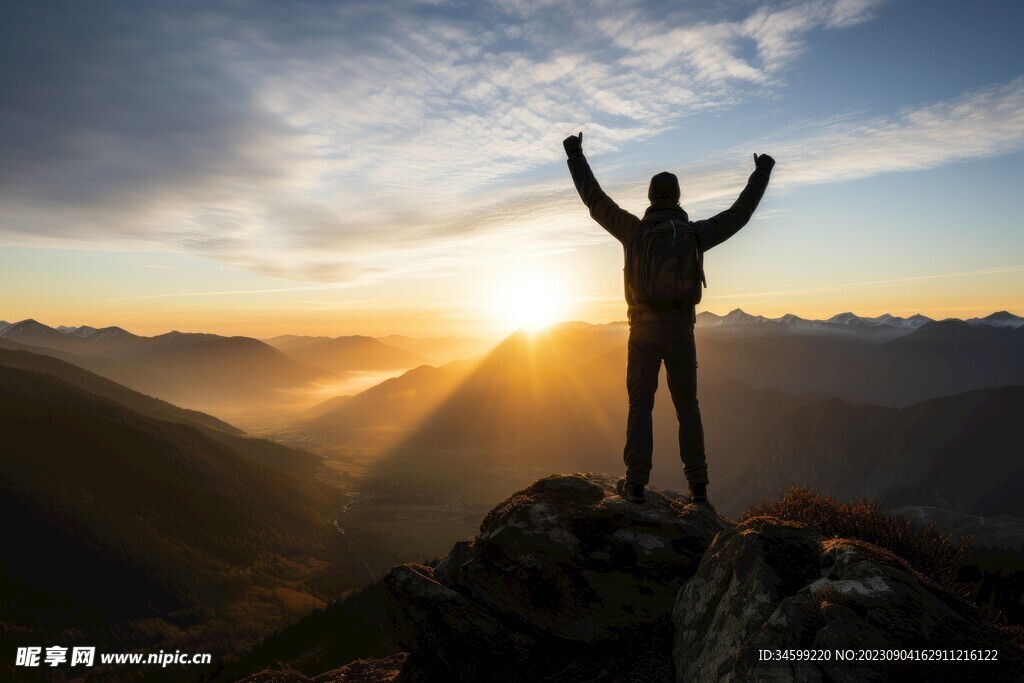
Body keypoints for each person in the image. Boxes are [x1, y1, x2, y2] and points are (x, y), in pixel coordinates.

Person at [563, 131, 774, 505]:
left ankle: (636, 484)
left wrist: (575, 153)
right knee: (687, 407)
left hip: (641, 331)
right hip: (681, 331)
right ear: (677, 198)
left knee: (640, 406)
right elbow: (739, 215)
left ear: (649, 198)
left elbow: (594, 200)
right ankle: (699, 489)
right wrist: (761, 172)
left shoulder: (634, 231)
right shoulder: (694, 234)